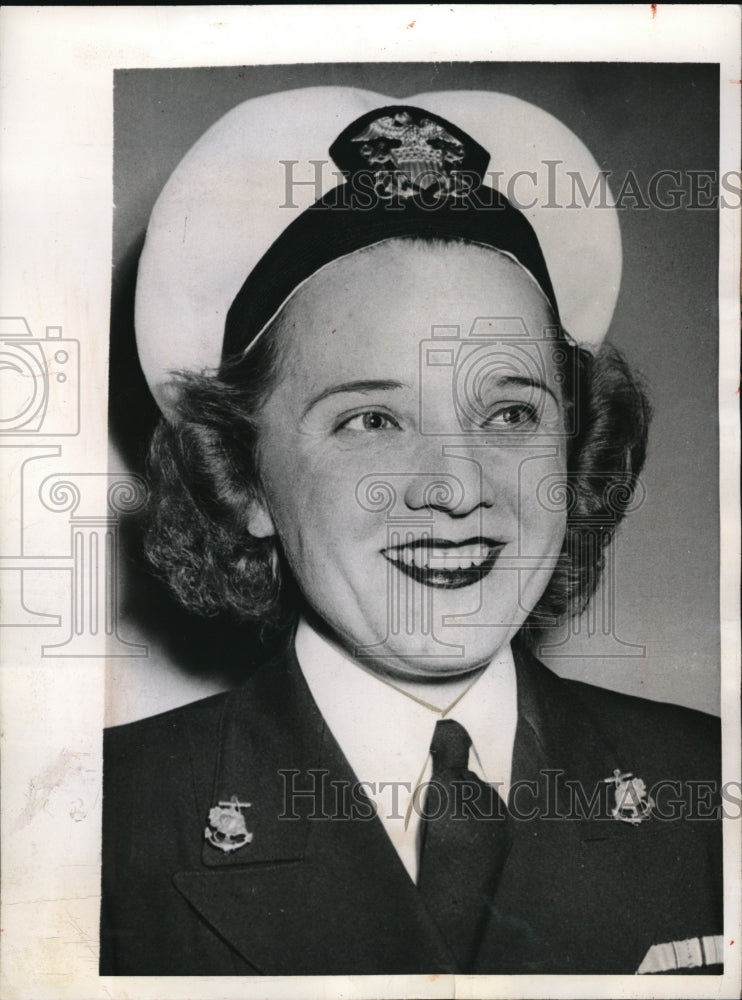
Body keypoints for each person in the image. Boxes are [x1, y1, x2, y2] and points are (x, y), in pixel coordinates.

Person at [100, 88, 723, 976]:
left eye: (509, 413)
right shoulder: (97, 823)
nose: (457, 489)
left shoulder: (708, 793)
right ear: (242, 478)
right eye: (372, 422)